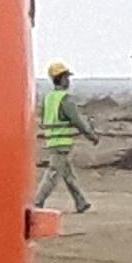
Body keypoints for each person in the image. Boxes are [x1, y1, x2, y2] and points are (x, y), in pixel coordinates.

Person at [33, 60, 100, 214]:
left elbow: (43, 119)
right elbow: (77, 121)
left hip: (52, 140)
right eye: (66, 77)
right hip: (61, 142)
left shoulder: (48, 98)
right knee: (53, 174)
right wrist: (91, 135)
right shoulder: (65, 99)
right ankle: (37, 203)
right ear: (61, 79)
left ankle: (81, 202)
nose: (68, 81)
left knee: (68, 174)